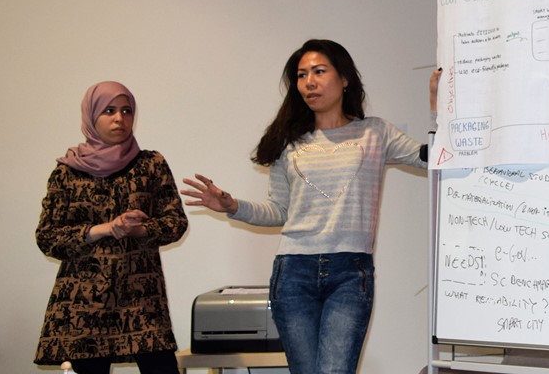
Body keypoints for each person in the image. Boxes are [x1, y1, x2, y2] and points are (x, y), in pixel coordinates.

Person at [181, 39, 441, 374]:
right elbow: (279, 211)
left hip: (350, 273)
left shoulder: (374, 132)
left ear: (344, 78)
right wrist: (232, 206)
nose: (309, 82)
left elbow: (433, 158)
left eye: (319, 72)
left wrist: (436, 107)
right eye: (302, 75)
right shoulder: (288, 142)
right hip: (293, 272)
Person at [34, 81, 188, 374]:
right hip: (83, 306)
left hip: (142, 301)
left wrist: (140, 230)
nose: (120, 118)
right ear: (91, 116)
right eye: (109, 111)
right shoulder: (67, 172)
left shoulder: (151, 164)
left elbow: (176, 223)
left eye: (126, 110)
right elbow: (47, 237)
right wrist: (104, 229)